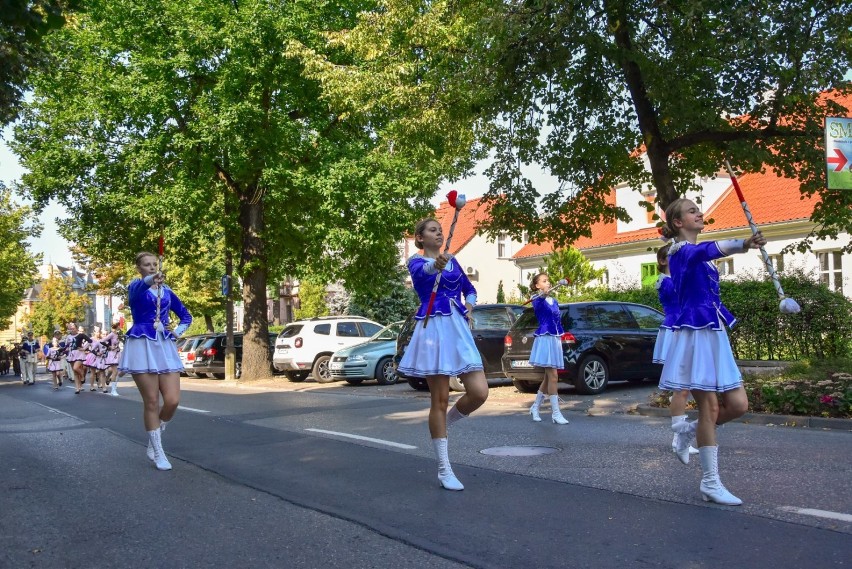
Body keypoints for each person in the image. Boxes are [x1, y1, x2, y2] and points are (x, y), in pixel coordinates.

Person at [659, 198, 766, 506]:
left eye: (698, 209)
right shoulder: (680, 253)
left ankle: (685, 432)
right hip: (694, 336)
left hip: (714, 333)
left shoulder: (698, 257)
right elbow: (706, 250)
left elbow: (707, 258)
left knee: (738, 405)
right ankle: (710, 482)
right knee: (711, 409)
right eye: (692, 211)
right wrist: (744, 243)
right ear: (678, 222)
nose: (699, 213)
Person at [397, 218, 487, 491]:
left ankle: (445, 424)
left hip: (458, 328)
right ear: (420, 238)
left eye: (440, 230)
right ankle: (444, 468)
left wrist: (469, 306)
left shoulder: (453, 259)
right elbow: (423, 272)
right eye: (432, 230)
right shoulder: (415, 261)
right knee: (440, 398)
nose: (438, 233)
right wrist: (434, 265)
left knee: (480, 392)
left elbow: (468, 289)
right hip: (434, 330)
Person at [118, 251, 192, 471]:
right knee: (151, 401)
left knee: (172, 401)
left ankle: (155, 435)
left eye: (155, 264)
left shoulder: (168, 291)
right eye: (147, 265)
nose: (152, 267)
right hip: (142, 344)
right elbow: (143, 286)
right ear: (139, 269)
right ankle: (158, 451)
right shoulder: (135, 287)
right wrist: (151, 279)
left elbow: (186, 316)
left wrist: (176, 331)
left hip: (164, 345)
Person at [652, 244, 698, 458]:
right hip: (675, 330)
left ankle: (681, 438)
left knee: (686, 387)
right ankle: (679, 438)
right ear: (663, 261)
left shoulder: (676, 277)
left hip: (685, 328)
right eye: (673, 256)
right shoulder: (665, 280)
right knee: (681, 387)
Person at [526, 273, 569, 425]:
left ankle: (535, 407)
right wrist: (541, 295)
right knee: (553, 376)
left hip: (554, 339)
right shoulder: (537, 300)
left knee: (547, 377)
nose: (548, 283)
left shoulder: (554, 301)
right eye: (544, 281)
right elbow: (540, 302)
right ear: (537, 285)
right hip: (545, 339)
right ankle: (556, 413)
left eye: (548, 280)